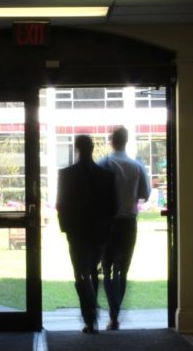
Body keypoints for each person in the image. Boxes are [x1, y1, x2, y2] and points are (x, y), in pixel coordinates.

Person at [56, 135, 117, 333]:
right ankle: (91, 315)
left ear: (77, 149)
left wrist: (65, 228)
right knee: (92, 270)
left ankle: (90, 316)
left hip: (76, 232)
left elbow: (61, 205)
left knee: (80, 273)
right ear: (92, 149)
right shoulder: (106, 175)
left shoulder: (66, 174)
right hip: (99, 232)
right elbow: (113, 207)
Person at [97, 127, 150, 330]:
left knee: (107, 267)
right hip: (128, 223)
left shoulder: (104, 163)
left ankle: (113, 314)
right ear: (126, 141)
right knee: (123, 270)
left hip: (108, 222)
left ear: (112, 141)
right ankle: (115, 313)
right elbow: (144, 193)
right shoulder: (136, 166)